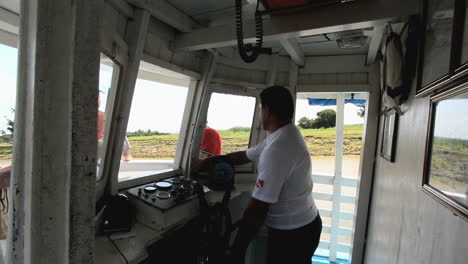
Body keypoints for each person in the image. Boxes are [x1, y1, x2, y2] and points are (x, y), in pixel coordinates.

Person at [194, 86, 322, 264]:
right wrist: (210, 161)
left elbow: (258, 208)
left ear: (267, 110)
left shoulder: (278, 148)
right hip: (304, 223)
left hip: (294, 233)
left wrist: (237, 250)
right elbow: (245, 155)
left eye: (261, 107)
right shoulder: (283, 134)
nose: (260, 113)